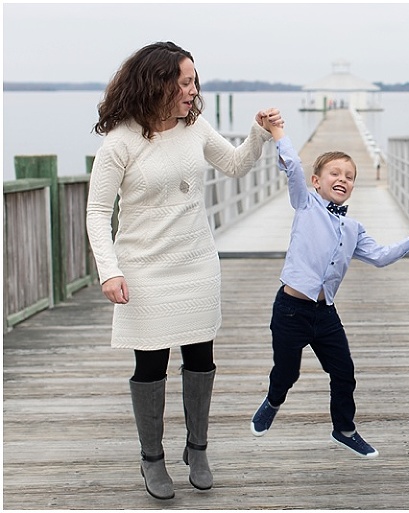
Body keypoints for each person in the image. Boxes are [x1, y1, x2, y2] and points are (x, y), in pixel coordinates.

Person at [86, 41, 283, 500]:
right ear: (157, 84)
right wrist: (108, 271)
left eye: (194, 80)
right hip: (144, 269)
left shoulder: (196, 128)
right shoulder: (120, 142)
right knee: (151, 363)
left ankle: (197, 449)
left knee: (200, 358)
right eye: (184, 82)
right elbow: (97, 211)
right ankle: (151, 459)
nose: (193, 91)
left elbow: (234, 165)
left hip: (196, 262)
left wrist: (258, 133)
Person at [249, 119, 409, 458]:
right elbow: (292, 165)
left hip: (325, 313)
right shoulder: (305, 204)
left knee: (344, 372)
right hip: (290, 309)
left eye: (349, 177)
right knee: (287, 373)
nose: (343, 180)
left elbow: (379, 257)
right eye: (335, 174)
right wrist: (277, 132)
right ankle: (274, 400)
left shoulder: (353, 227)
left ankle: (344, 429)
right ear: (316, 181)